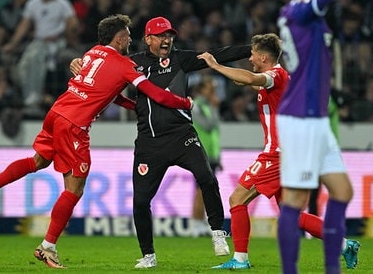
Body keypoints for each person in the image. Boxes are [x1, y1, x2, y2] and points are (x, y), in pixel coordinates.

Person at [0, 14, 193, 269]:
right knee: (74, 188)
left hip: (57, 112)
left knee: (39, 161)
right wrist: (184, 103)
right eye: (128, 36)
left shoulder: (91, 54)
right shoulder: (124, 65)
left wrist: (133, 107)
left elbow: (106, 91)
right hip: (74, 125)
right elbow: (155, 94)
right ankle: (48, 247)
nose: (131, 40)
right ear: (120, 39)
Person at [71, 16, 251, 269]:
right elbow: (104, 85)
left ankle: (218, 232)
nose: (167, 40)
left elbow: (218, 53)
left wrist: (251, 49)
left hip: (182, 136)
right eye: (161, 35)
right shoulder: (132, 63)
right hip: (149, 143)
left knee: (207, 178)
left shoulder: (181, 59)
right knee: (141, 201)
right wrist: (78, 62)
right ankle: (148, 255)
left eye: (169, 35)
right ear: (148, 39)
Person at [197, 33, 359, 270]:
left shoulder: (276, 75)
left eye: (252, 54)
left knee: (237, 198)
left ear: (263, 57)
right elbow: (254, 81)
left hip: (278, 154)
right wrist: (246, 80)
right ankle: (345, 245)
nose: (250, 58)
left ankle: (240, 259)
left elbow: (254, 77)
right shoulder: (279, 79)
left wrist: (216, 65)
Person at [276, 0, 359, 273]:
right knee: (295, 200)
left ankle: (331, 269)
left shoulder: (300, 14)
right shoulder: (303, 10)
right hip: (301, 117)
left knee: (342, 190)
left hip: (316, 119)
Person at [2, 0, 80, 117]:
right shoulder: (33, 3)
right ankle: (30, 96)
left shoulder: (62, 3)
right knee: (24, 65)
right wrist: (13, 44)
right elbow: (24, 25)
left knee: (38, 59)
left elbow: (73, 23)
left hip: (58, 42)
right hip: (39, 42)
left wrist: (63, 33)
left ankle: (34, 99)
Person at [190, 75, 222, 237]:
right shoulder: (197, 105)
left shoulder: (207, 105)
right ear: (202, 90)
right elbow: (208, 126)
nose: (213, 92)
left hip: (211, 154)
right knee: (200, 190)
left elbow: (214, 134)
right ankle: (196, 223)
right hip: (202, 154)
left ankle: (201, 221)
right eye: (211, 89)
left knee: (205, 189)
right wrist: (215, 108)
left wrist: (218, 157)